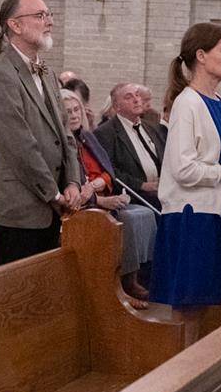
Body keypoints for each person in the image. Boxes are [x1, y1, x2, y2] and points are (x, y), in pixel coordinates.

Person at [149, 23, 221, 331]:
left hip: (219, 209)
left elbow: (219, 157)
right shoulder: (188, 103)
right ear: (201, 56)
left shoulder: (220, 102)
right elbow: (183, 169)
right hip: (192, 215)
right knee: (189, 303)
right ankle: (181, 371)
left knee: (207, 300)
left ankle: (195, 367)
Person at [0, 0, 83, 265]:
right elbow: (20, 147)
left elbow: (66, 134)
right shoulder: (0, 75)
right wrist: (55, 194)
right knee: (16, 300)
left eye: (48, 14)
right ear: (15, 25)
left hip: (53, 205)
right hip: (21, 211)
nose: (48, 21)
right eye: (40, 16)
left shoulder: (47, 72)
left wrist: (73, 181)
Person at [63, 89, 157, 305]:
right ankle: (122, 286)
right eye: (68, 112)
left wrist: (100, 183)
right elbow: (70, 182)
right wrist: (100, 200)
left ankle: (138, 276)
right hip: (81, 206)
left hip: (103, 194)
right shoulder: (63, 142)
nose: (75, 115)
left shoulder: (87, 137)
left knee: (145, 214)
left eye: (77, 109)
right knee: (129, 219)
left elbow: (108, 171)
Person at [94, 82, 167, 209]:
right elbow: (110, 171)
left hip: (163, 191)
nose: (136, 100)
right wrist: (142, 185)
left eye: (137, 95)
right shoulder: (105, 132)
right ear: (117, 107)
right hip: (134, 196)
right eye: (129, 97)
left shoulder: (152, 127)